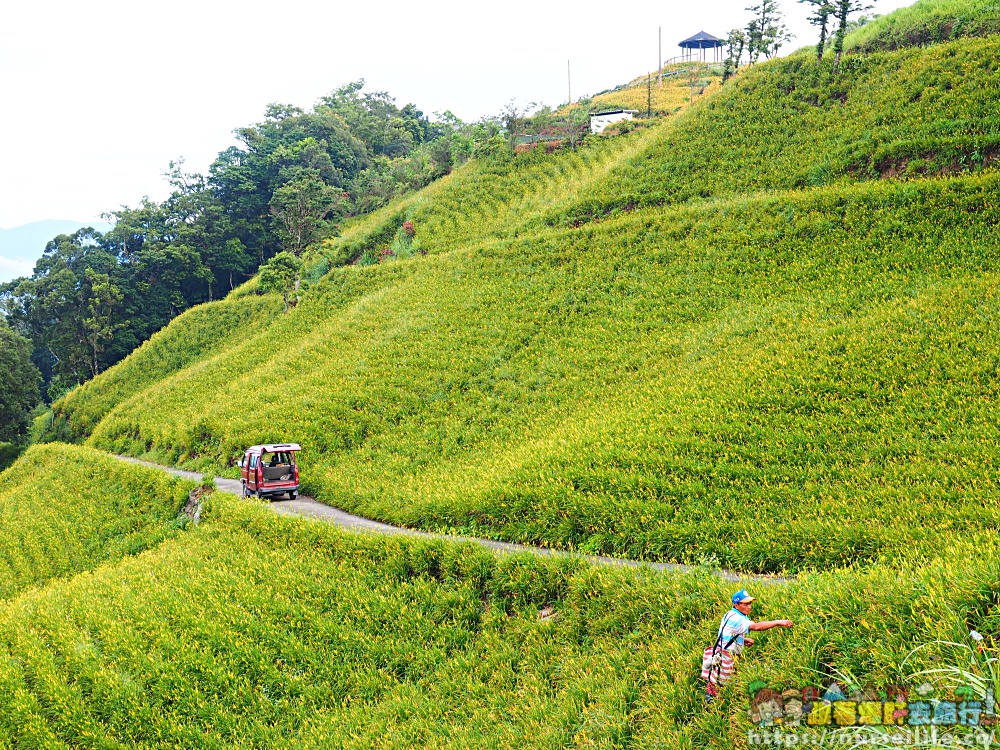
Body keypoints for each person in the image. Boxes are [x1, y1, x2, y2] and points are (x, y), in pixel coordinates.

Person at [705, 589, 794, 701]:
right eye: (745, 604)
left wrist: (741, 640)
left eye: (750, 603)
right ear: (736, 605)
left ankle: (716, 701)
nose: (749, 607)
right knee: (722, 684)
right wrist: (778, 622)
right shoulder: (738, 619)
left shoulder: (730, 614)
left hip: (721, 652)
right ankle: (714, 706)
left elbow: (724, 633)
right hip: (726, 657)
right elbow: (757, 627)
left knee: (717, 679)